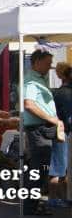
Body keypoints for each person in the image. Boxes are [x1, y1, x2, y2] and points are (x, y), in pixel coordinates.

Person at [23, 49, 61, 215]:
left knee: (40, 168)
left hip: (41, 128)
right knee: (39, 168)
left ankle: (32, 204)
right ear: (37, 62)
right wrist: (51, 118)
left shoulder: (38, 78)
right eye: (47, 63)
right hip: (38, 128)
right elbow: (29, 104)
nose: (49, 67)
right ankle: (30, 206)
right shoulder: (32, 81)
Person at [50, 62, 71, 208]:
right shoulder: (64, 92)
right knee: (62, 167)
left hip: (61, 131)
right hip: (65, 132)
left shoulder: (58, 93)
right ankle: (60, 198)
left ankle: (56, 198)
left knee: (58, 167)